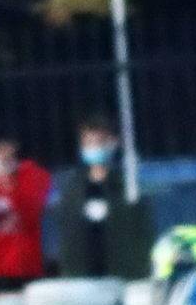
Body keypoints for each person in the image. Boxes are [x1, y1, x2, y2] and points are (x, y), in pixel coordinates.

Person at [44, 119, 152, 278]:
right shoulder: (73, 188)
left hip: (122, 274)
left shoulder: (128, 187)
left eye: (99, 142)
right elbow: (67, 234)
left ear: (112, 143)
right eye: (88, 143)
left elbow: (141, 231)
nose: (94, 148)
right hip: (83, 275)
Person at [0, 133, 52, 287]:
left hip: (24, 261)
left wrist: (5, 181)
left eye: (4, 148)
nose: (0, 155)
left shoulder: (33, 173)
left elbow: (29, 214)